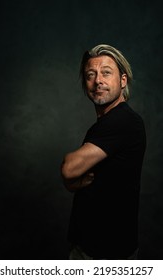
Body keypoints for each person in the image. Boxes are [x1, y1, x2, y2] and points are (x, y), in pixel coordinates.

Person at [61, 44, 146, 260]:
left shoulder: (123, 121)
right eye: (91, 74)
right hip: (87, 246)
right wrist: (73, 181)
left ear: (123, 81)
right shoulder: (102, 126)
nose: (98, 80)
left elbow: (70, 169)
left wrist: (70, 176)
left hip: (108, 255)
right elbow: (75, 179)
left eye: (106, 73)